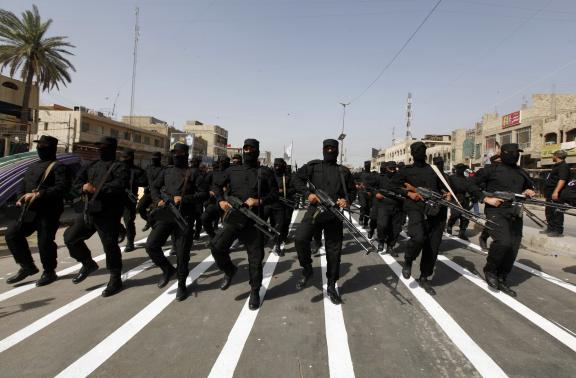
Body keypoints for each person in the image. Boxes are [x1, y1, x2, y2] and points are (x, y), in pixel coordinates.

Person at [210, 139, 278, 310]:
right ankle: (230, 271)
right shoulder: (232, 170)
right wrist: (220, 201)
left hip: (254, 221)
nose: (248, 151)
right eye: (245, 148)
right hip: (234, 218)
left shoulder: (265, 172)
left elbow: (275, 195)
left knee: (255, 259)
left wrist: (258, 201)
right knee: (217, 247)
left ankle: (255, 291)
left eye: (251, 149)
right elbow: (216, 186)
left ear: (257, 151)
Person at [293, 139, 356, 304]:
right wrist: (308, 195)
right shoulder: (313, 166)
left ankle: (331, 285)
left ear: (337, 151)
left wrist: (345, 201)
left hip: (334, 214)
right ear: (322, 149)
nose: (330, 151)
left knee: (334, 253)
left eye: (333, 149)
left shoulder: (343, 171)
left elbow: (352, 191)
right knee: (300, 239)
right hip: (315, 211)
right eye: (327, 148)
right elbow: (296, 180)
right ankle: (307, 269)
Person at [64, 136, 129, 297]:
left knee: (110, 246)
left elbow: (119, 186)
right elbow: (77, 183)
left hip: (108, 213)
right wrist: (83, 187)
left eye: (104, 147)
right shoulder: (91, 165)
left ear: (112, 149)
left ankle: (115, 278)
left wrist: (96, 190)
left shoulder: (120, 167)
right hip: (89, 211)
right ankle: (87, 263)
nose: (100, 149)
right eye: (99, 147)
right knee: (70, 237)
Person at [145, 143, 207, 301]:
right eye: (174, 152)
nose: (176, 155)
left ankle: (181, 283)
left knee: (182, 254)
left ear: (186, 154)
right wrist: (157, 199)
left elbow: (204, 194)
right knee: (151, 245)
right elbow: (154, 187)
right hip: (166, 214)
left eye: (179, 152)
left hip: (184, 218)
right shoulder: (166, 171)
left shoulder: (194, 173)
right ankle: (167, 269)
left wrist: (184, 199)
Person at [5, 136, 70, 286]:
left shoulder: (59, 167)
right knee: (12, 234)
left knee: (44, 242)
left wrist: (39, 194)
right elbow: (22, 183)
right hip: (30, 211)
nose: (40, 149)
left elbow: (63, 188)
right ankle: (27, 266)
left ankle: (49, 272)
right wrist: (20, 197)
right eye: (39, 146)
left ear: (51, 149)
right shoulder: (32, 166)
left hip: (49, 212)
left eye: (43, 146)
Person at [472, 143, 535, 297]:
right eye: (511, 152)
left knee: (513, 247)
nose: (515, 155)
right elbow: (470, 185)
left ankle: (502, 277)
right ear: (502, 153)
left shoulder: (521, 172)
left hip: (515, 212)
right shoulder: (490, 169)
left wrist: (529, 191)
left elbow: (530, 187)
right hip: (496, 211)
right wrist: (485, 198)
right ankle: (490, 270)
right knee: (503, 242)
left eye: (517, 152)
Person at [400, 142, 451, 295]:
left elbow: (446, 187)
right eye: (416, 150)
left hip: (436, 209)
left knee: (432, 246)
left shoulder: (434, 170)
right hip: (416, 208)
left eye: (422, 150)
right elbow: (393, 186)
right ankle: (408, 260)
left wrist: (447, 194)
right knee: (418, 237)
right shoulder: (405, 171)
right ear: (412, 153)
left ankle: (424, 277)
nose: (419, 153)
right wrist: (409, 194)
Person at [371, 161, 404, 255]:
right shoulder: (380, 178)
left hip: (397, 206)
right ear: (387, 169)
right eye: (391, 169)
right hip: (384, 205)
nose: (393, 171)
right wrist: (376, 193)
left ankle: (390, 246)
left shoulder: (400, 178)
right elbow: (370, 187)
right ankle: (381, 241)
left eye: (394, 169)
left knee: (396, 229)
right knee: (382, 225)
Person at [118, 149, 147, 252]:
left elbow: (144, 182)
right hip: (116, 198)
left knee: (129, 221)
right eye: (123, 157)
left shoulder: (137, 171)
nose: (124, 159)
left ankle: (130, 242)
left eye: (126, 157)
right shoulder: (116, 168)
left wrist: (134, 181)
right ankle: (121, 231)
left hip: (129, 199)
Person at [268, 158, 296, 256]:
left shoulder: (288, 176)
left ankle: (283, 236)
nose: (277, 167)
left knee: (286, 222)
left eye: (279, 165)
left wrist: (284, 191)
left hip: (287, 203)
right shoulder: (270, 176)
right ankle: (277, 243)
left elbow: (294, 189)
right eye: (275, 165)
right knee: (276, 224)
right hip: (274, 203)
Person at [542, 150, 570, 237]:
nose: (552, 157)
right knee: (549, 211)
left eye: (553, 155)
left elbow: (562, 180)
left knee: (557, 211)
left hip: (557, 194)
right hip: (550, 193)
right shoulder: (557, 166)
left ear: (557, 156)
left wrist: (556, 191)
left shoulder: (563, 166)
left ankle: (557, 230)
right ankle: (550, 228)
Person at [201, 157, 231, 239]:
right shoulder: (213, 173)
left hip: (229, 202)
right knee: (204, 218)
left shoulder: (233, 172)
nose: (222, 163)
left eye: (224, 162)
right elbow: (205, 185)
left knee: (227, 224)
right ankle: (213, 237)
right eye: (221, 162)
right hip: (215, 201)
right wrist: (210, 190)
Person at [446, 163, 475, 241]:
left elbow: (470, 189)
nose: (461, 170)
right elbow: (447, 188)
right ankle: (449, 226)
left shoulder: (466, 179)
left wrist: (472, 197)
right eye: (460, 168)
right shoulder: (451, 178)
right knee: (455, 214)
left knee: (465, 217)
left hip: (465, 199)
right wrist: (448, 195)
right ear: (457, 169)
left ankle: (462, 232)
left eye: (463, 169)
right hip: (455, 198)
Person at [137, 152, 164, 232]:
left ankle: (155, 229)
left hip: (159, 194)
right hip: (148, 192)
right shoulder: (148, 168)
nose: (154, 159)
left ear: (159, 159)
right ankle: (149, 221)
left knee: (155, 213)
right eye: (153, 158)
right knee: (140, 208)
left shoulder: (164, 169)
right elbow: (144, 179)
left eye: (156, 158)